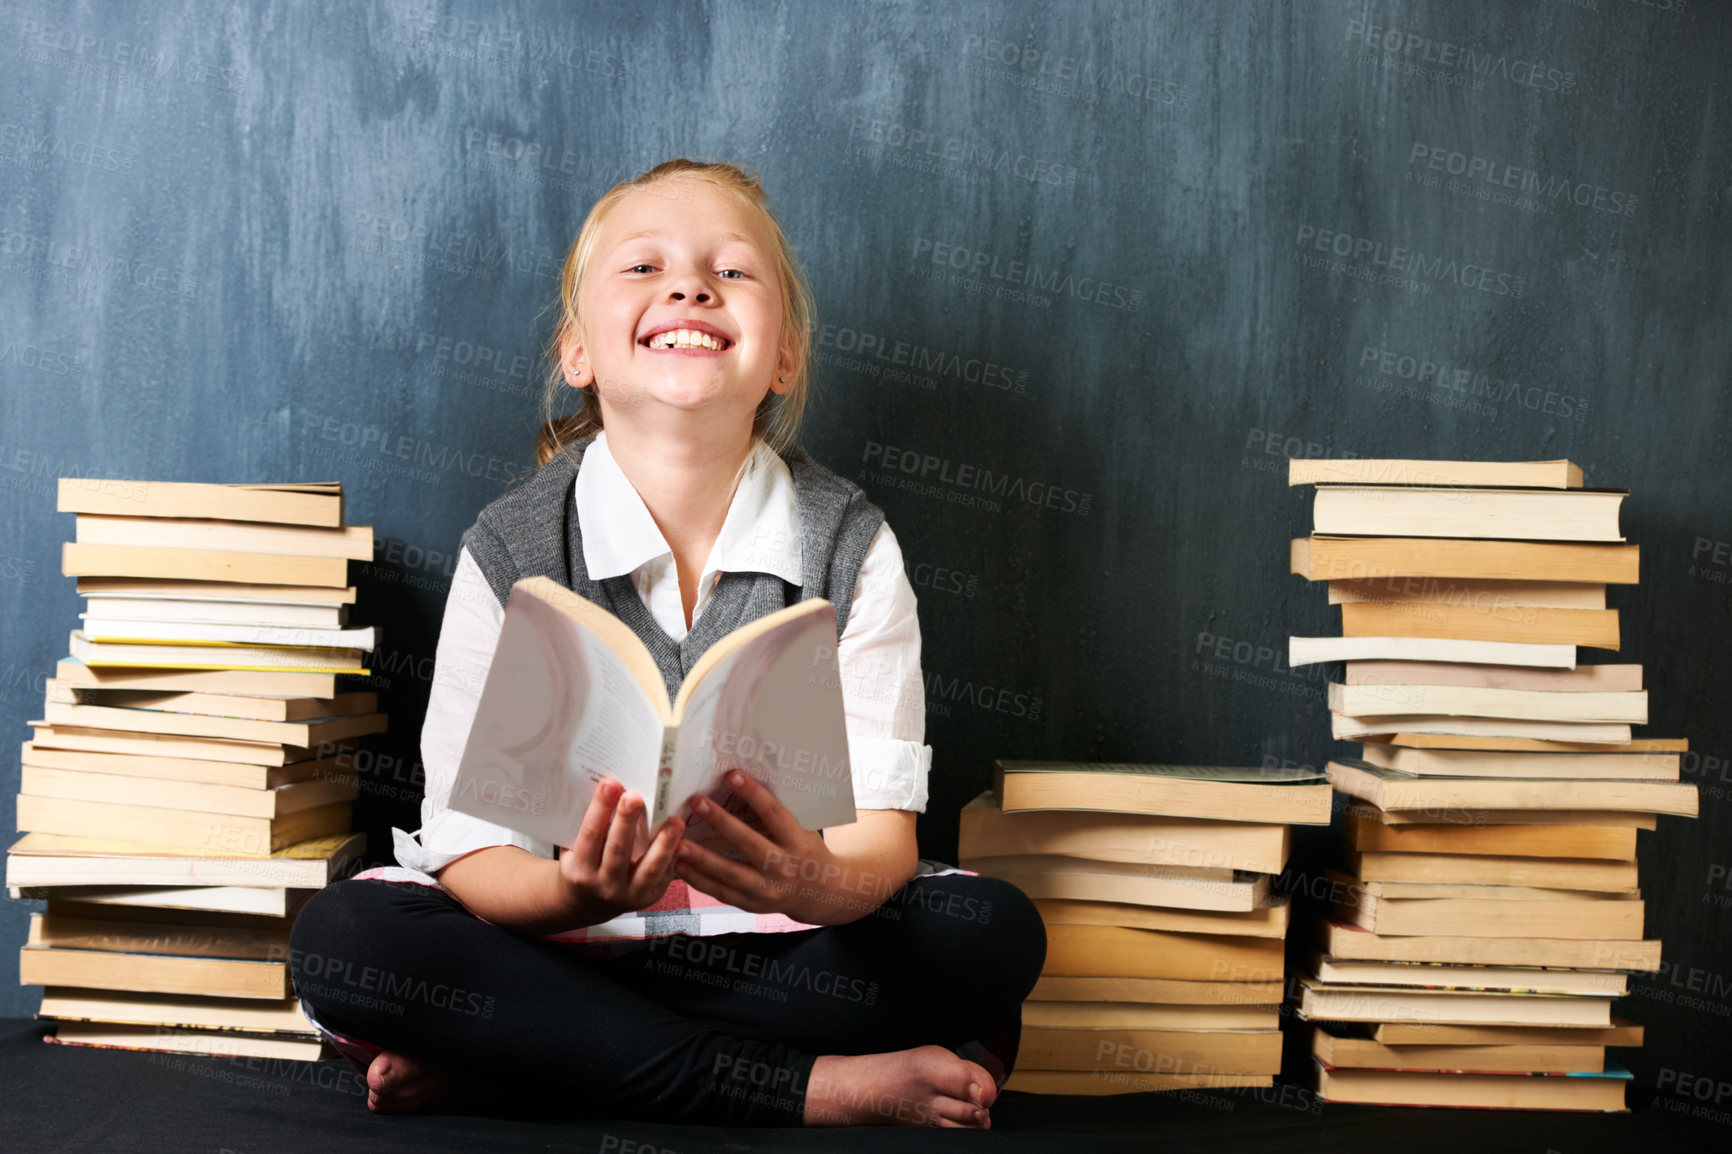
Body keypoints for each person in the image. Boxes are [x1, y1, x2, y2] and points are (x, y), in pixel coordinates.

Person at [288, 159, 1046, 1128]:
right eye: (641, 267)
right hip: (557, 944)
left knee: (986, 935)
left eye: (731, 271)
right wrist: (567, 889)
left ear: (785, 359)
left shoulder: (850, 544)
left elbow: (881, 841)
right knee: (349, 935)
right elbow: (473, 852)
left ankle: (539, 1062)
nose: (688, 286)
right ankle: (795, 1086)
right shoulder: (512, 548)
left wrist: (808, 880)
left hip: (776, 947)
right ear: (578, 350)